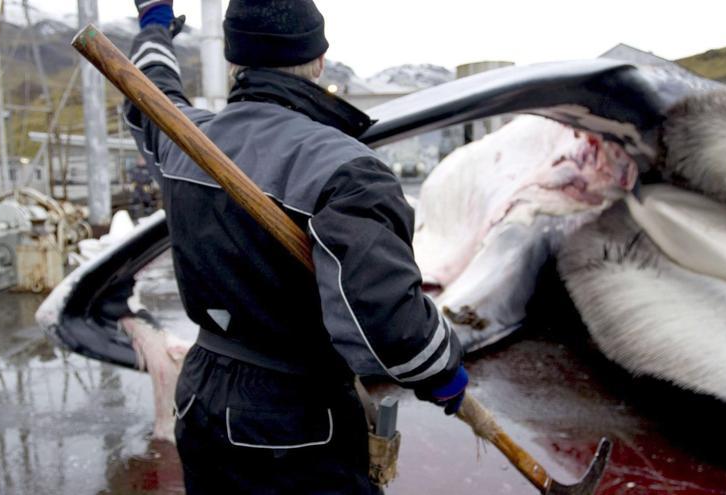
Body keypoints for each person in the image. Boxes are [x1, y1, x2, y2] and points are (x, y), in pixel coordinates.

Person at [124, 1, 469, 493]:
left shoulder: (187, 139)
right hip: (295, 418)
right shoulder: (348, 170)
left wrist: (155, 24)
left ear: (233, 63)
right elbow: (387, 322)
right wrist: (443, 370)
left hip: (200, 396)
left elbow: (146, 92)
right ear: (320, 60)